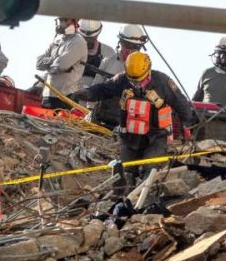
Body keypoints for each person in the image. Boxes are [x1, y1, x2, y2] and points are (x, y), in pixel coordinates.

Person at [70, 52, 195, 191]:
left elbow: (180, 102)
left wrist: (188, 122)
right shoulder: (122, 79)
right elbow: (104, 89)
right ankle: (124, 201)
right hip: (129, 135)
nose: (136, 84)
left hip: (156, 136)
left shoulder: (162, 82)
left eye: (140, 80)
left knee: (150, 168)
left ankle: (146, 199)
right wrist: (87, 93)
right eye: (133, 81)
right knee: (126, 171)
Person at [90, 24, 148, 129]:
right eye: (126, 44)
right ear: (120, 42)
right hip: (102, 117)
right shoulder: (108, 62)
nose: (129, 49)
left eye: (134, 47)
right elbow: (95, 88)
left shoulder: (144, 67)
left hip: (128, 120)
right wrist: (89, 110)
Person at [36, 17, 88, 109]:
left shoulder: (78, 42)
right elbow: (38, 63)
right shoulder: (57, 39)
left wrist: (49, 64)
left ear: (74, 22)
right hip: (48, 96)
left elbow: (60, 65)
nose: (62, 23)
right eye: (60, 20)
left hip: (65, 98)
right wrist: (54, 60)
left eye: (65, 20)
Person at [77, 20, 115, 88]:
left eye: (91, 38)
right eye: (84, 38)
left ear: (99, 33)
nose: (87, 41)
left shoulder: (108, 52)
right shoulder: (69, 50)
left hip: (97, 96)